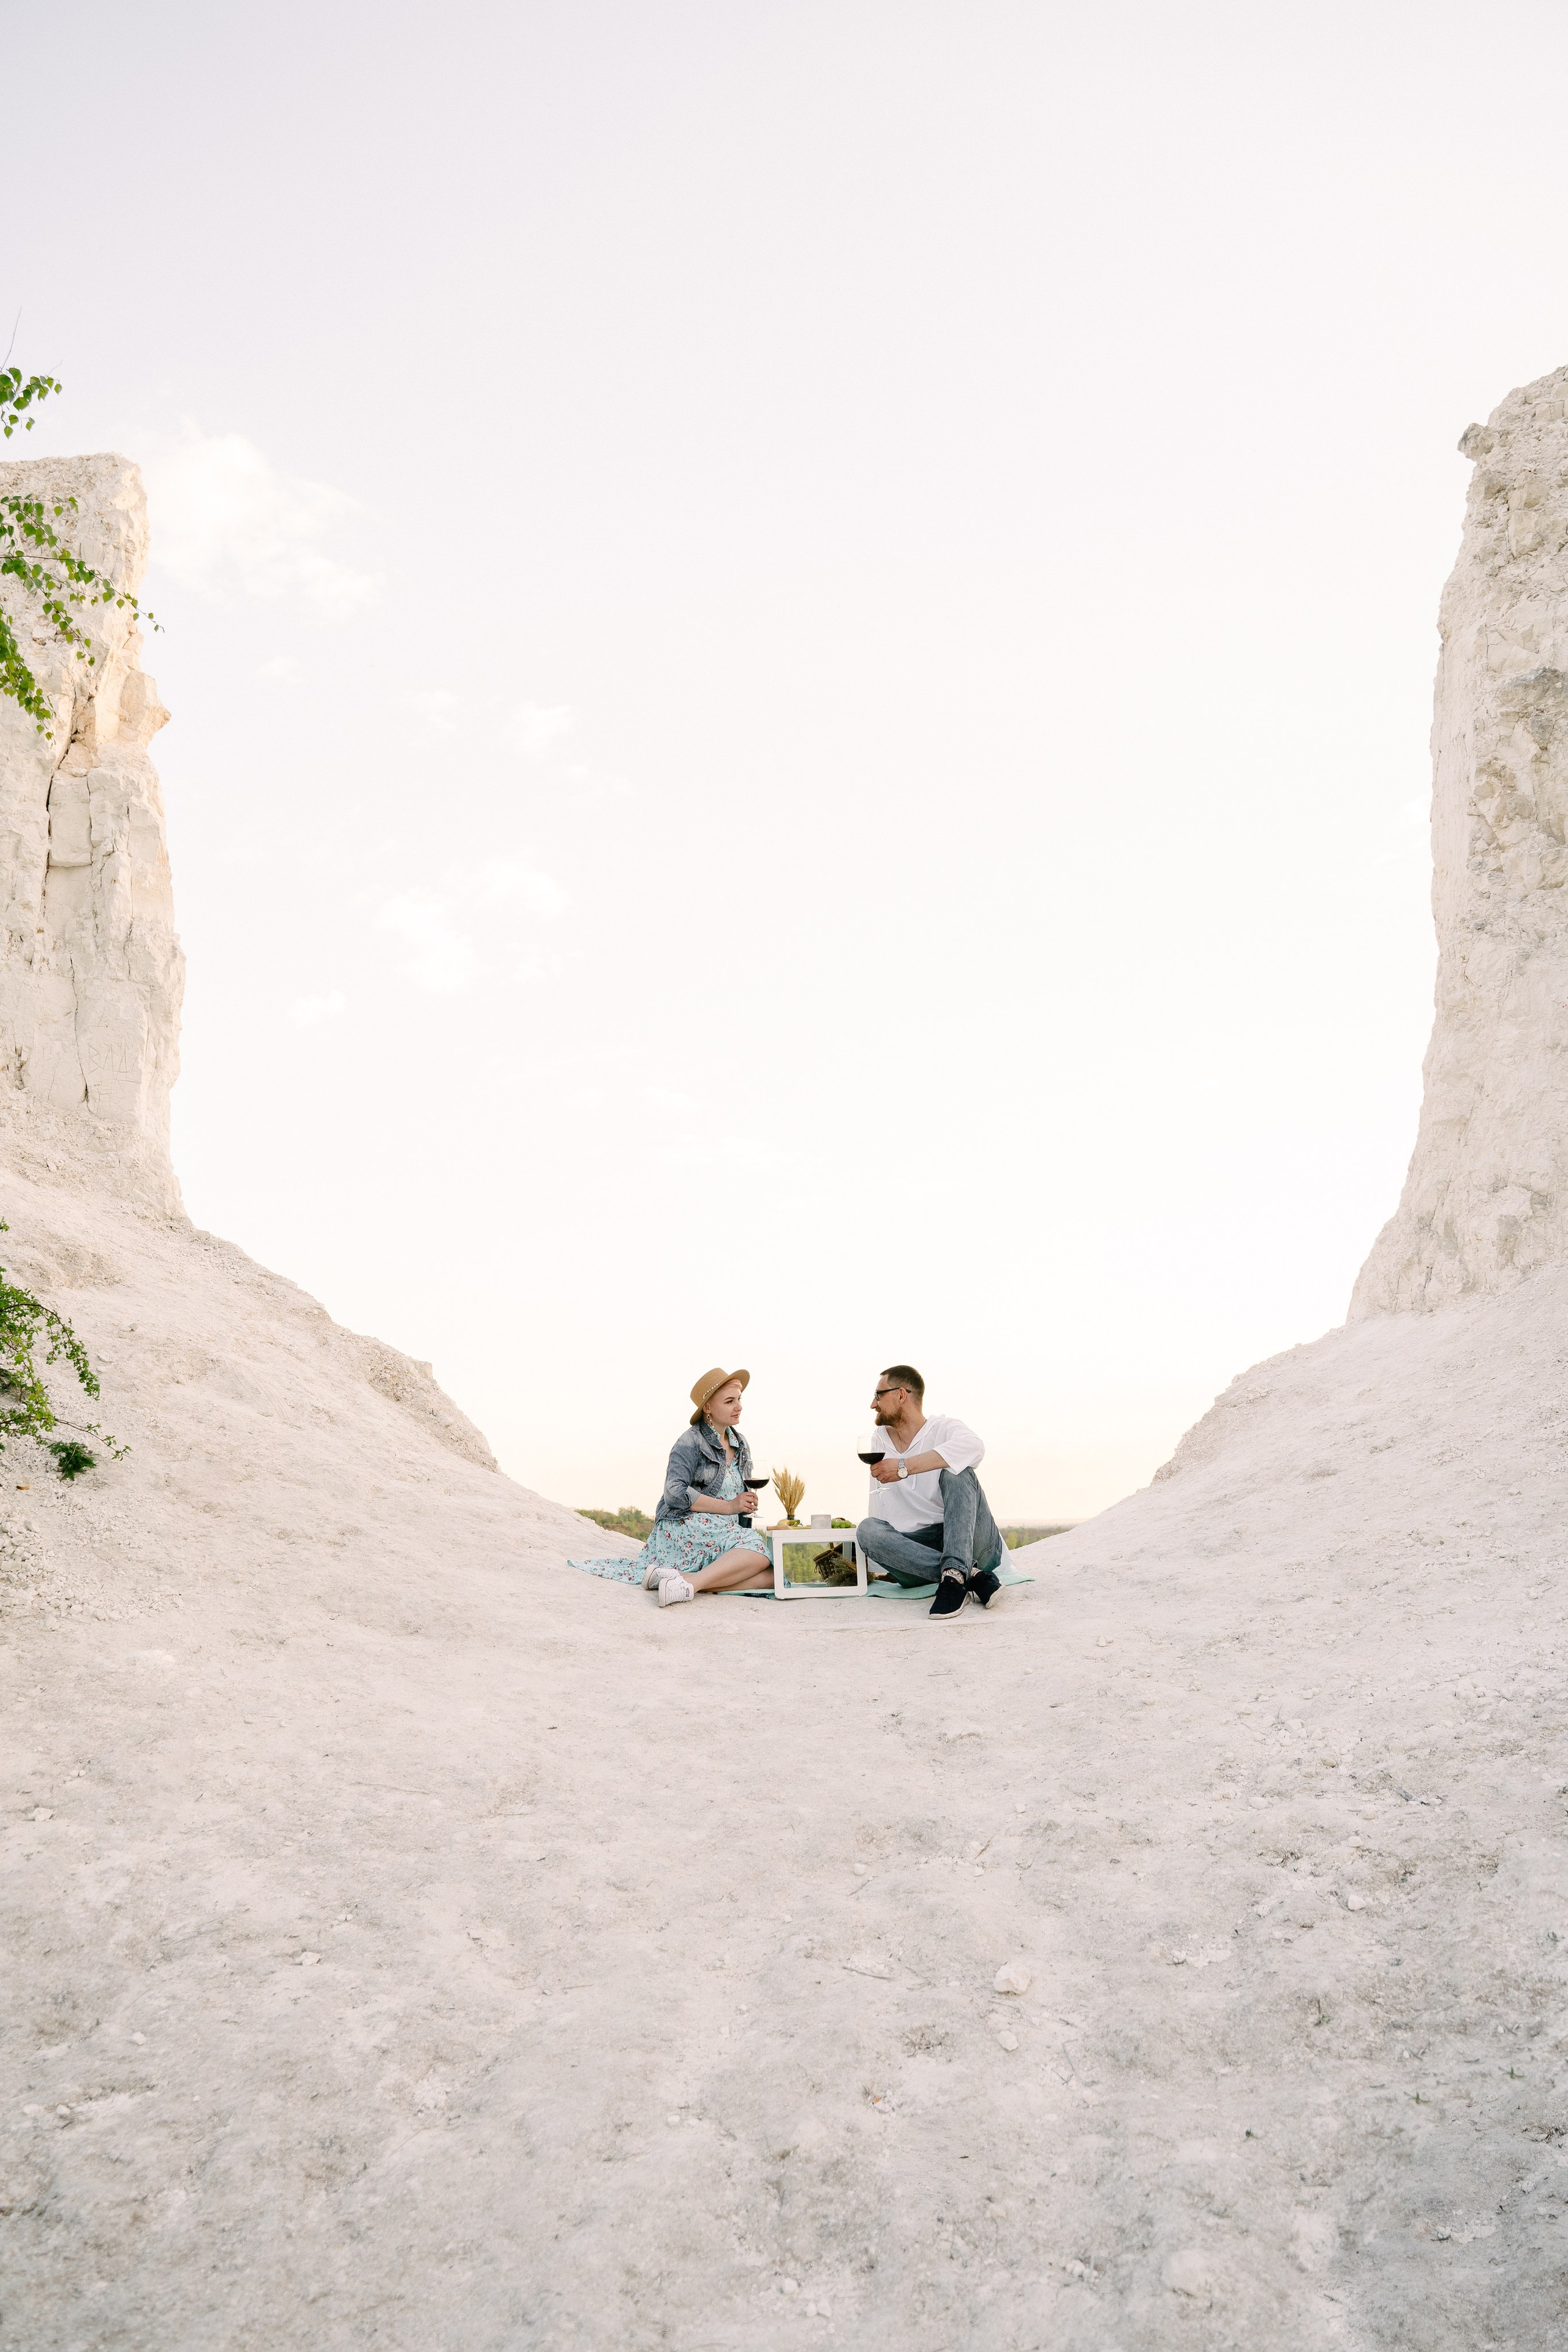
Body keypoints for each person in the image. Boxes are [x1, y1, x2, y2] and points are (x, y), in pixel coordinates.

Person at [855, 1364, 1005, 1619]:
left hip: (972, 1543)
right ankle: (967, 1575)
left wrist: (904, 1467)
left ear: (902, 1395)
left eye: (879, 1395)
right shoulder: (878, 1440)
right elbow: (880, 1508)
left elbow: (975, 1447)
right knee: (867, 1530)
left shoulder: (944, 1428)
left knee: (957, 1470)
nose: (873, 1404)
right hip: (918, 1550)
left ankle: (957, 1572)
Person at [636, 1366, 774, 1607]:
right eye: (730, 1401)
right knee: (759, 1552)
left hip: (721, 1532)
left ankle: (680, 1580)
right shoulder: (690, 1441)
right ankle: (689, 1586)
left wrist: (742, 1509)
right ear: (708, 1408)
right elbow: (674, 1493)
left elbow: (740, 1499)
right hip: (684, 1525)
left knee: (772, 1578)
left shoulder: (740, 1443)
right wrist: (730, 1506)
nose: (739, 1406)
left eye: (739, 1399)